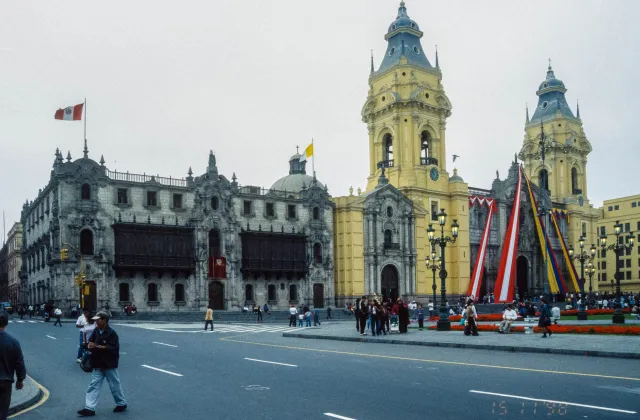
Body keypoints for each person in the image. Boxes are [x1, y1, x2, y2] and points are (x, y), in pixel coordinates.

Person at [77, 311, 127, 417]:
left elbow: (114, 348)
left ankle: (121, 404)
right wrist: (88, 345)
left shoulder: (111, 333)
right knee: (94, 385)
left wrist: (98, 346)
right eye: (95, 320)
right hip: (97, 363)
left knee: (114, 385)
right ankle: (89, 408)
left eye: (98, 320)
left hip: (109, 364)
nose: (96, 322)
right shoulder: (96, 331)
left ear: (104, 320)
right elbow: (91, 342)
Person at [0, 310, 26, 420]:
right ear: (6, 323)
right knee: (2, 412)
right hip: (5, 382)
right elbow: (19, 363)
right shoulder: (13, 342)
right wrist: (20, 380)